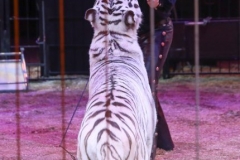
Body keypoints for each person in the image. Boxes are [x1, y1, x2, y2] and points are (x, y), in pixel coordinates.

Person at [138, 0, 176, 151]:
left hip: (158, 30)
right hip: (131, 33)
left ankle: (150, 143)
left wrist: (159, 3)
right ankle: (163, 140)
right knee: (140, 86)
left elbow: (167, 5)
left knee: (146, 86)